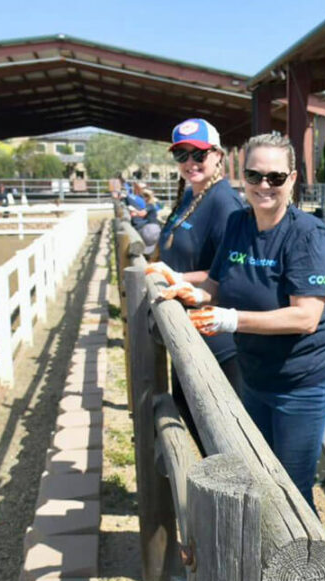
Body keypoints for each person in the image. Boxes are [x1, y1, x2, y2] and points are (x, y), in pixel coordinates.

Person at [159, 132, 325, 510]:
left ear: (292, 179)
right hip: (255, 376)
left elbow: (307, 317)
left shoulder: (308, 234)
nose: (264, 185)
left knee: (292, 492)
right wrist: (188, 292)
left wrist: (231, 320)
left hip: (300, 384)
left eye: (275, 177)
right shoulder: (239, 224)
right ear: (243, 177)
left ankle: (307, 550)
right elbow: (214, 286)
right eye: (255, 175)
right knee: (259, 478)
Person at [145, 119, 246, 448]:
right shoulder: (191, 195)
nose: (190, 163)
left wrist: (177, 278)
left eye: (199, 154)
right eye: (182, 155)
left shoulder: (224, 204)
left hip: (216, 343)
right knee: (190, 420)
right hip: (187, 332)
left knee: (221, 437)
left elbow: (231, 272)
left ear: (218, 156)